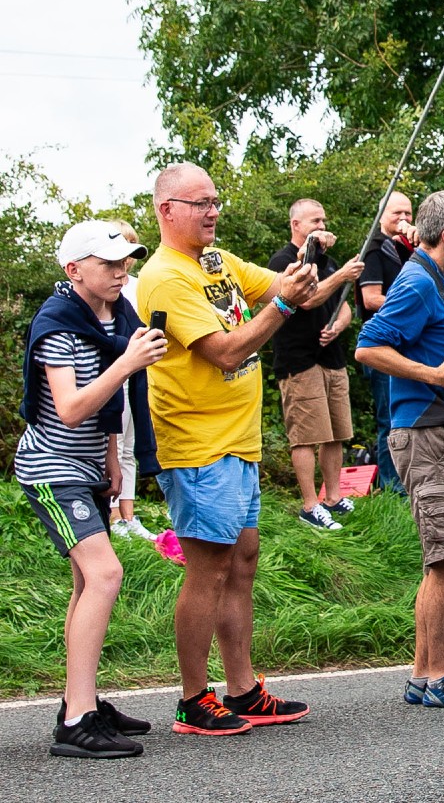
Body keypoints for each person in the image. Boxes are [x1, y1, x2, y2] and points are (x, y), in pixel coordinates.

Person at [137, 163, 316, 735]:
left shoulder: (215, 261)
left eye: (216, 201)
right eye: (199, 203)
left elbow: (286, 287)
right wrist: (285, 304)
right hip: (196, 443)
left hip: (238, 440)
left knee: (241, 563)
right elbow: (227, 351)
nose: (213, 211)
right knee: (207, 569)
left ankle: (242, 690)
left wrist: (318, 276)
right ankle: (193, 700)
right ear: (167, 210)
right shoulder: (165, 276)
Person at [18, 221, 167, 757]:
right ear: (73, 269)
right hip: (50, 468)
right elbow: (70, 406)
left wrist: (112, 462)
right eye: (108, 263)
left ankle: (77, 700)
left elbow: (110, 408)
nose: (121, 271)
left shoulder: (116, 316)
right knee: (106, 573)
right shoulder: (57, 324)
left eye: (125, 260)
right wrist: (127, 361)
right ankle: (76, 722)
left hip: (87, 468)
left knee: (88, 582)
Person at [353, 190, 444, 708]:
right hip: (423, 431)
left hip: (442, 430)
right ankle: (438, 677)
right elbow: (367, 345)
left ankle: (423, 675)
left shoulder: (437, 275)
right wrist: (433, 374)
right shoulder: (417, 282)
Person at [267, 198, 366, 530]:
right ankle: (310, 506)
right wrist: (340, 275)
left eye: (323, 221)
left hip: (331, 358)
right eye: (314, 222)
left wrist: (339, 325)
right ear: (296, 225)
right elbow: (307, 299)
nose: (322, 227)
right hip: (299, 360)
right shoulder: (283, 261)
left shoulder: (329, 262)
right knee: (306, 436)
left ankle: (333, 499)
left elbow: (344, 306)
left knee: (336, 433)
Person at [358, 190, 416, 493]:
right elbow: (370, 299)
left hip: (408, 345)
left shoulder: (409, 250)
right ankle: (393, 489)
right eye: (397, 214)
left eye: (408, 213)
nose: (404, 219)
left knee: (408, 417)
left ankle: (408, 483)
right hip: (382, 346)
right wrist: (412, 302)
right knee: (389, 419)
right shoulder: (375, 250)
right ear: (382, 216)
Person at [107, 221, 160, 542]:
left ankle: (129, 515)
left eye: (131, 246)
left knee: (129, 447)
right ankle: (112, 516)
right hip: (110, 374)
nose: (126, 257)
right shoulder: (102, 285)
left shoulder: (140, 285)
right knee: (110, 446)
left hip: (138, 376)